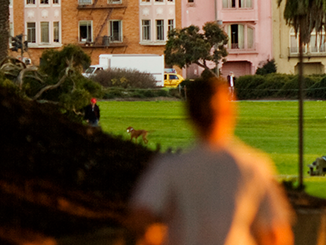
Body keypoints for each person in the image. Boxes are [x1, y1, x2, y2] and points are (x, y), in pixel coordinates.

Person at [126, 78, 294, 245]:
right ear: (231, 110)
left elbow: (139, 219)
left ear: (190, 114)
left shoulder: (171, 167)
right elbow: (276, 234)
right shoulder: (254, 166)